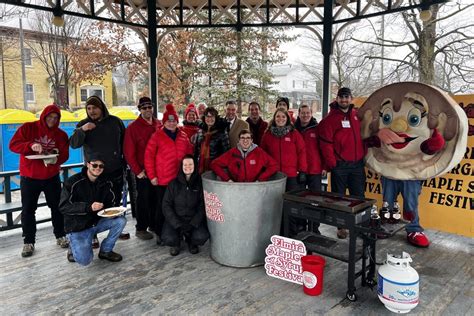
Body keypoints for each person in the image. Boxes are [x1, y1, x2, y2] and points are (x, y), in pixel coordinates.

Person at [9, 104, 70, 257]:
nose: (52, 120)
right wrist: (30, 145)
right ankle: (28, 242)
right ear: (43, 116)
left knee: (57, 207)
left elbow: (64, 154)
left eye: (55, 118)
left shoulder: (61, 135)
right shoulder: (28, 128)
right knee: (28, 210)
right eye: (49, 117)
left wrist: (54, 158)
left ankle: (60, 235)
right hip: (29, 177)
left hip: (51, 177)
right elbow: (13, 145)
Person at [70, 95, 128, 246]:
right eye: (88, 108)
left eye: (94, 108)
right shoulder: (83, 124)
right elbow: (74, 144)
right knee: (94, 203)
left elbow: (125, 144)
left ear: (101, 107)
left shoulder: (115, 122)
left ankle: (116, 228)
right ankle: (92, 234)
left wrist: (125, 163)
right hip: (94, 173)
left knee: (114, 201)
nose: (92, 111)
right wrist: (82, 130)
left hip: (115, 170)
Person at [59, 155, 127, 265]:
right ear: (87, 164)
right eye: (94, 165)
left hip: (97, 222)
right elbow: (64, 206)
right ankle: (72, 244)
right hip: (78, 226)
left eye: (101, 166)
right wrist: (88, 207)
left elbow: (111, 201)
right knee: (84, 261)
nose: (98, 168)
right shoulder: (72, 182)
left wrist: (112, 212)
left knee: (120, 220)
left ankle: (106, 250)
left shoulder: (106, 182)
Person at [318, 87, 366, 239]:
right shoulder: (330, 119)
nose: (344, 100)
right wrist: (332, 164)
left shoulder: (357, 115)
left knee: (358, 196)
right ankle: (341, 226)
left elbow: (364, 136)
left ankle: (359, 226)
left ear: (351, 98)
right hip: (340, 165)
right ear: (337, 99)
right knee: (339, 198)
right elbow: (325, 144)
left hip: (357, 164)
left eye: (347, 97)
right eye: (341, 97)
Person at [144, 104, 193, 245]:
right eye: (168, 121)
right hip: (163, 180)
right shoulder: (157, 136)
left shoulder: (183, 136)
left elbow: (189, 154)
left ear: (177, 121)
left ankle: (179, 232)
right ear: (164, 122)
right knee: (162, 208)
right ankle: (160, 233)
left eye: (174, 120)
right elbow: (148, 157)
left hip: (180, 180)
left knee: (178, 208)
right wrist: (152, 176)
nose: (171, 123)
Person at [260, 108, 307, 237]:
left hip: (291, 176)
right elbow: (262, 154)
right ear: (274, 119)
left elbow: (302, 152)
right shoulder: (268, 134)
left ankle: (291, 234)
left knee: (290, 205)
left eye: (283, 117)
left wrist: (302, 171)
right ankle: (277, 233)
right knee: (275, 205)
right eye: (278, 117)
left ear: (287, 119)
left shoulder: (294, 134)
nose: (280, 119)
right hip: (274, 176)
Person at [123, 96, 162, 240]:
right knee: (143, 199)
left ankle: (153, 223)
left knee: (156, 198)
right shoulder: (133, 128)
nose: (147, 110)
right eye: (144, 107)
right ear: (139, 109)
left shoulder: (159, 124)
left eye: (149, 107)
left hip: (158, 169)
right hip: (143, 171)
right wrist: (137, 171)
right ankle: (141, 227)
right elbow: (128, 151)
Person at [162, 155, 210, 256]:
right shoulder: (173, 184)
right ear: (181, 166)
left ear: (195, 166)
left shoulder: (200, 183)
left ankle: (191, 241)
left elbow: (203, 205)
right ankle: (176, 243)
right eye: (185, 164)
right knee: (168, 238)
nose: (188, 167)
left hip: (193, 220)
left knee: (201, 237)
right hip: (176, 219)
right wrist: (177, 224)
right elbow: (166, 205)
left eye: (190, 164)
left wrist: (193, 223)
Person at [294, 104, 326, 234]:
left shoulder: (317, 129)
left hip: (315, 170)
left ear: (311, 114)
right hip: (299, 170)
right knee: (300, 200)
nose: (305, 115)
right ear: (299, 114)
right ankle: (301, 226)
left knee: (315, 201)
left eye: (308, 113)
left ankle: (314, 227)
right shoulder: (293, 129)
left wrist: (324, 167)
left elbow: (324, 148)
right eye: (303, 113)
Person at [211, 129, 278, 182]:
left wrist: (260, 179)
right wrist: (227, 179)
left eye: (248, 138)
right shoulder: (232, 153)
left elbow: (274, 165)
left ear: (252, 140)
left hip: (255, 187)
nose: (245, 140)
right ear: (239, 140)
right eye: (242, 138)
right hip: (236, 187)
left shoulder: (259, 152)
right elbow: (214, 164)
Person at [194, 107, 230, 173]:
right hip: (199, 168)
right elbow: (196, 152)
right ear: (204, 118)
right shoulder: (200, 132)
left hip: (215, 168)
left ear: (216, 118)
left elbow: (226, 154)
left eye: (212, 116)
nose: (209, 119)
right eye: (207, 116)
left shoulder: (222, 133)